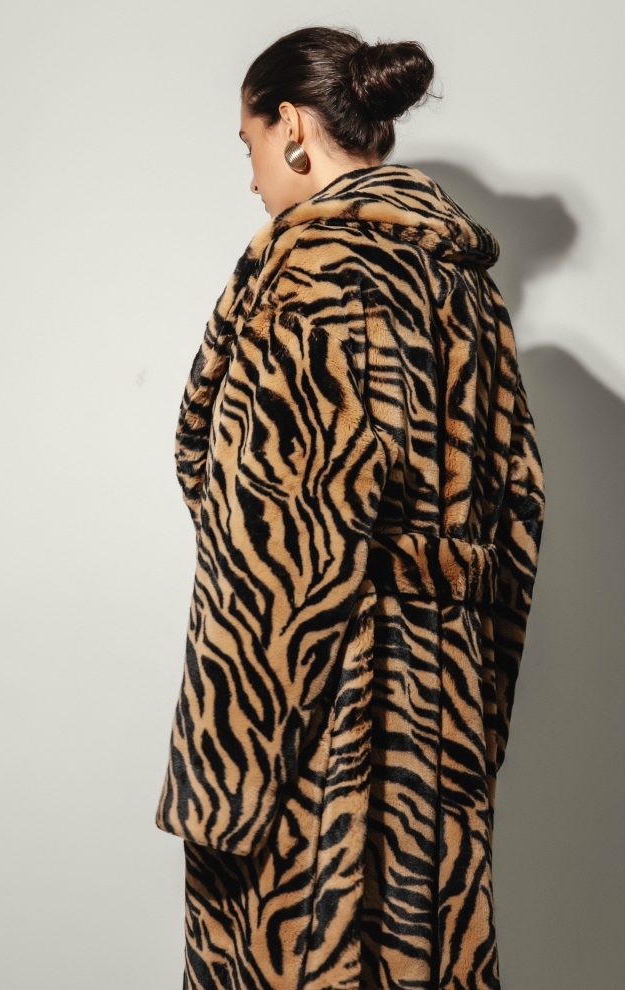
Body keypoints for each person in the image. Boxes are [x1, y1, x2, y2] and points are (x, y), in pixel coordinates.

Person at [156, 26, 545, 990]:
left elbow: (274, 545)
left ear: (291, 127)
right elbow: (519, 514)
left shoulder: (310, 274)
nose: (251, 179)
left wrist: (225, 774)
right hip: (440, 714)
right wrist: (474, 709)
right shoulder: (466, 286)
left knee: (302, 954)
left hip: (319, 723)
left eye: (249, 143)